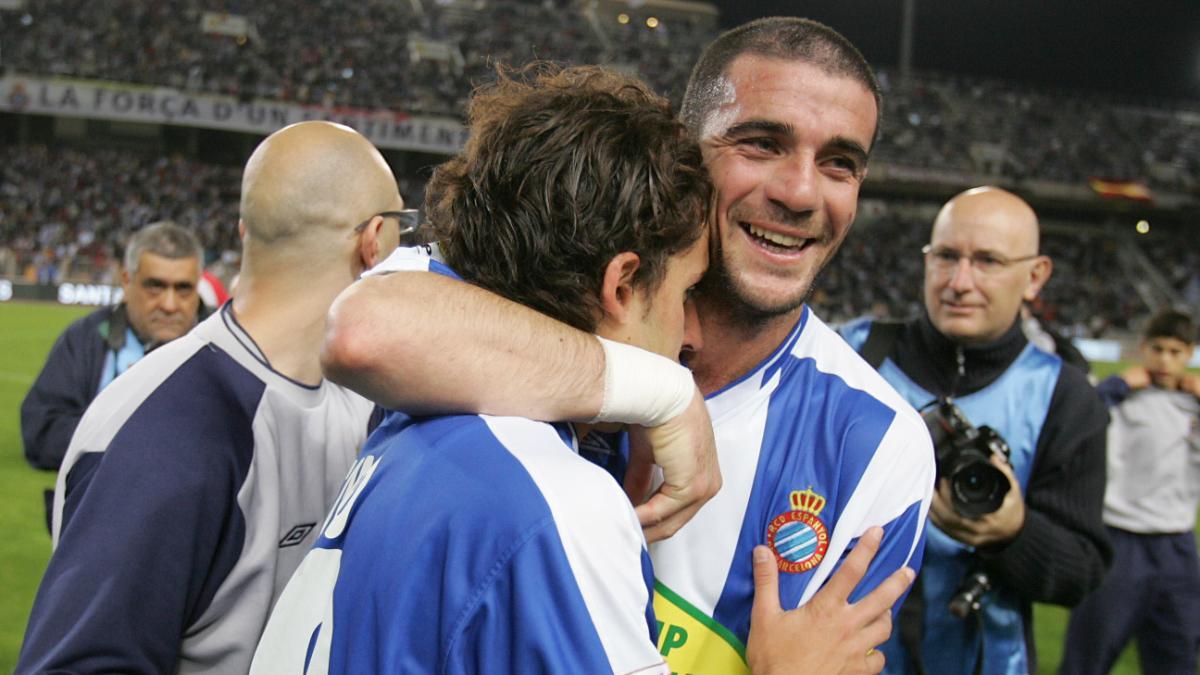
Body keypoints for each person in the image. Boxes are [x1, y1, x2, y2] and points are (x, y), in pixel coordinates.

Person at [253, 63, 915, 675]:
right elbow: (364, 329)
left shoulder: (418, 410)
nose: (688, 333)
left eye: (840, 163)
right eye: (763, 144)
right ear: (622, 283)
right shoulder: (561, 502)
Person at [17, 121, 404, 674]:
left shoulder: (361, 400)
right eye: (403, 226)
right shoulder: (165, 432)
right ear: (373, 242)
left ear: (246, 231)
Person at [839, 186, 1112, 674]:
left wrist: (1014, 534)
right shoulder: (851, 355)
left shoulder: (1065, 397)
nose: (959, 282)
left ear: (1035, 277)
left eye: (988, 261)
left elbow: (1082, 571)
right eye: (946, 256)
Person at [20, 221, 204, 530]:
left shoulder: (226, 347)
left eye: (183, 288)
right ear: (127, 280)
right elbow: (41, 432)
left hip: (192, 533)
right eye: (155, 286)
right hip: (94, 533)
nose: (170, 304)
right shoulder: (84, 339)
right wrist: (137, 434)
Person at [1059, 309, 1200, 675]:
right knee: (1087, 656)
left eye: (1175, 351)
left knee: (1178, 657)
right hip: (1119, 542)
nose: (1165, 360)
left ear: (1190, 353)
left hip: (1177, 547)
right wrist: (1116, 385)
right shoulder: (1118, 399)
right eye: (1158, 349)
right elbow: (1073, 419)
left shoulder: (1194, 405)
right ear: (1143, 348)